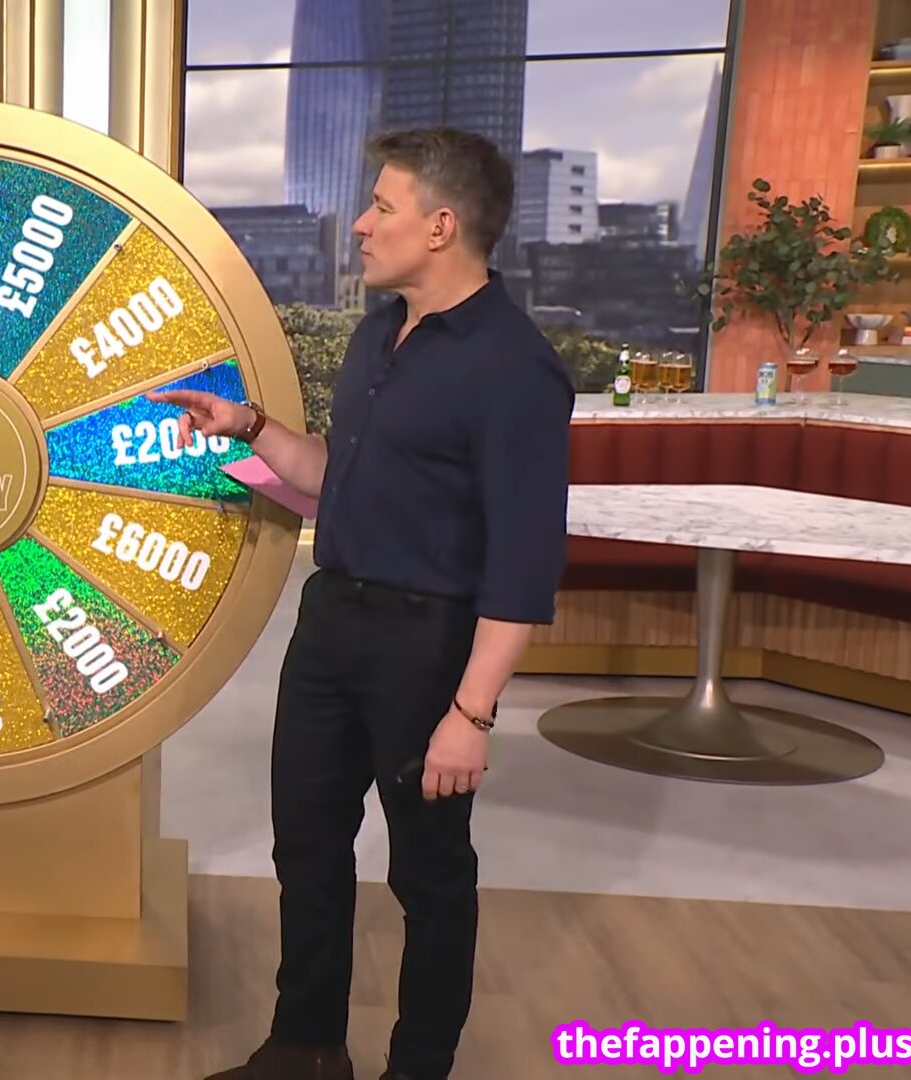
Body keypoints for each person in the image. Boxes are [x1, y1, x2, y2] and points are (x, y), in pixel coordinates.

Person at [159, 130, 573, 1080]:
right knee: (307, 847)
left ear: (441, 225)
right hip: (330, 625)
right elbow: (333, 474)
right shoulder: (376, 336)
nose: (359, 224)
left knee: (429, 875)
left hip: (428, 645)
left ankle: (418, 1066)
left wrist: (471, 714)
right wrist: (250, 427)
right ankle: (305, 1049)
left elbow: (522, 565)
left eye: (381, 206)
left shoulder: (516, 369)